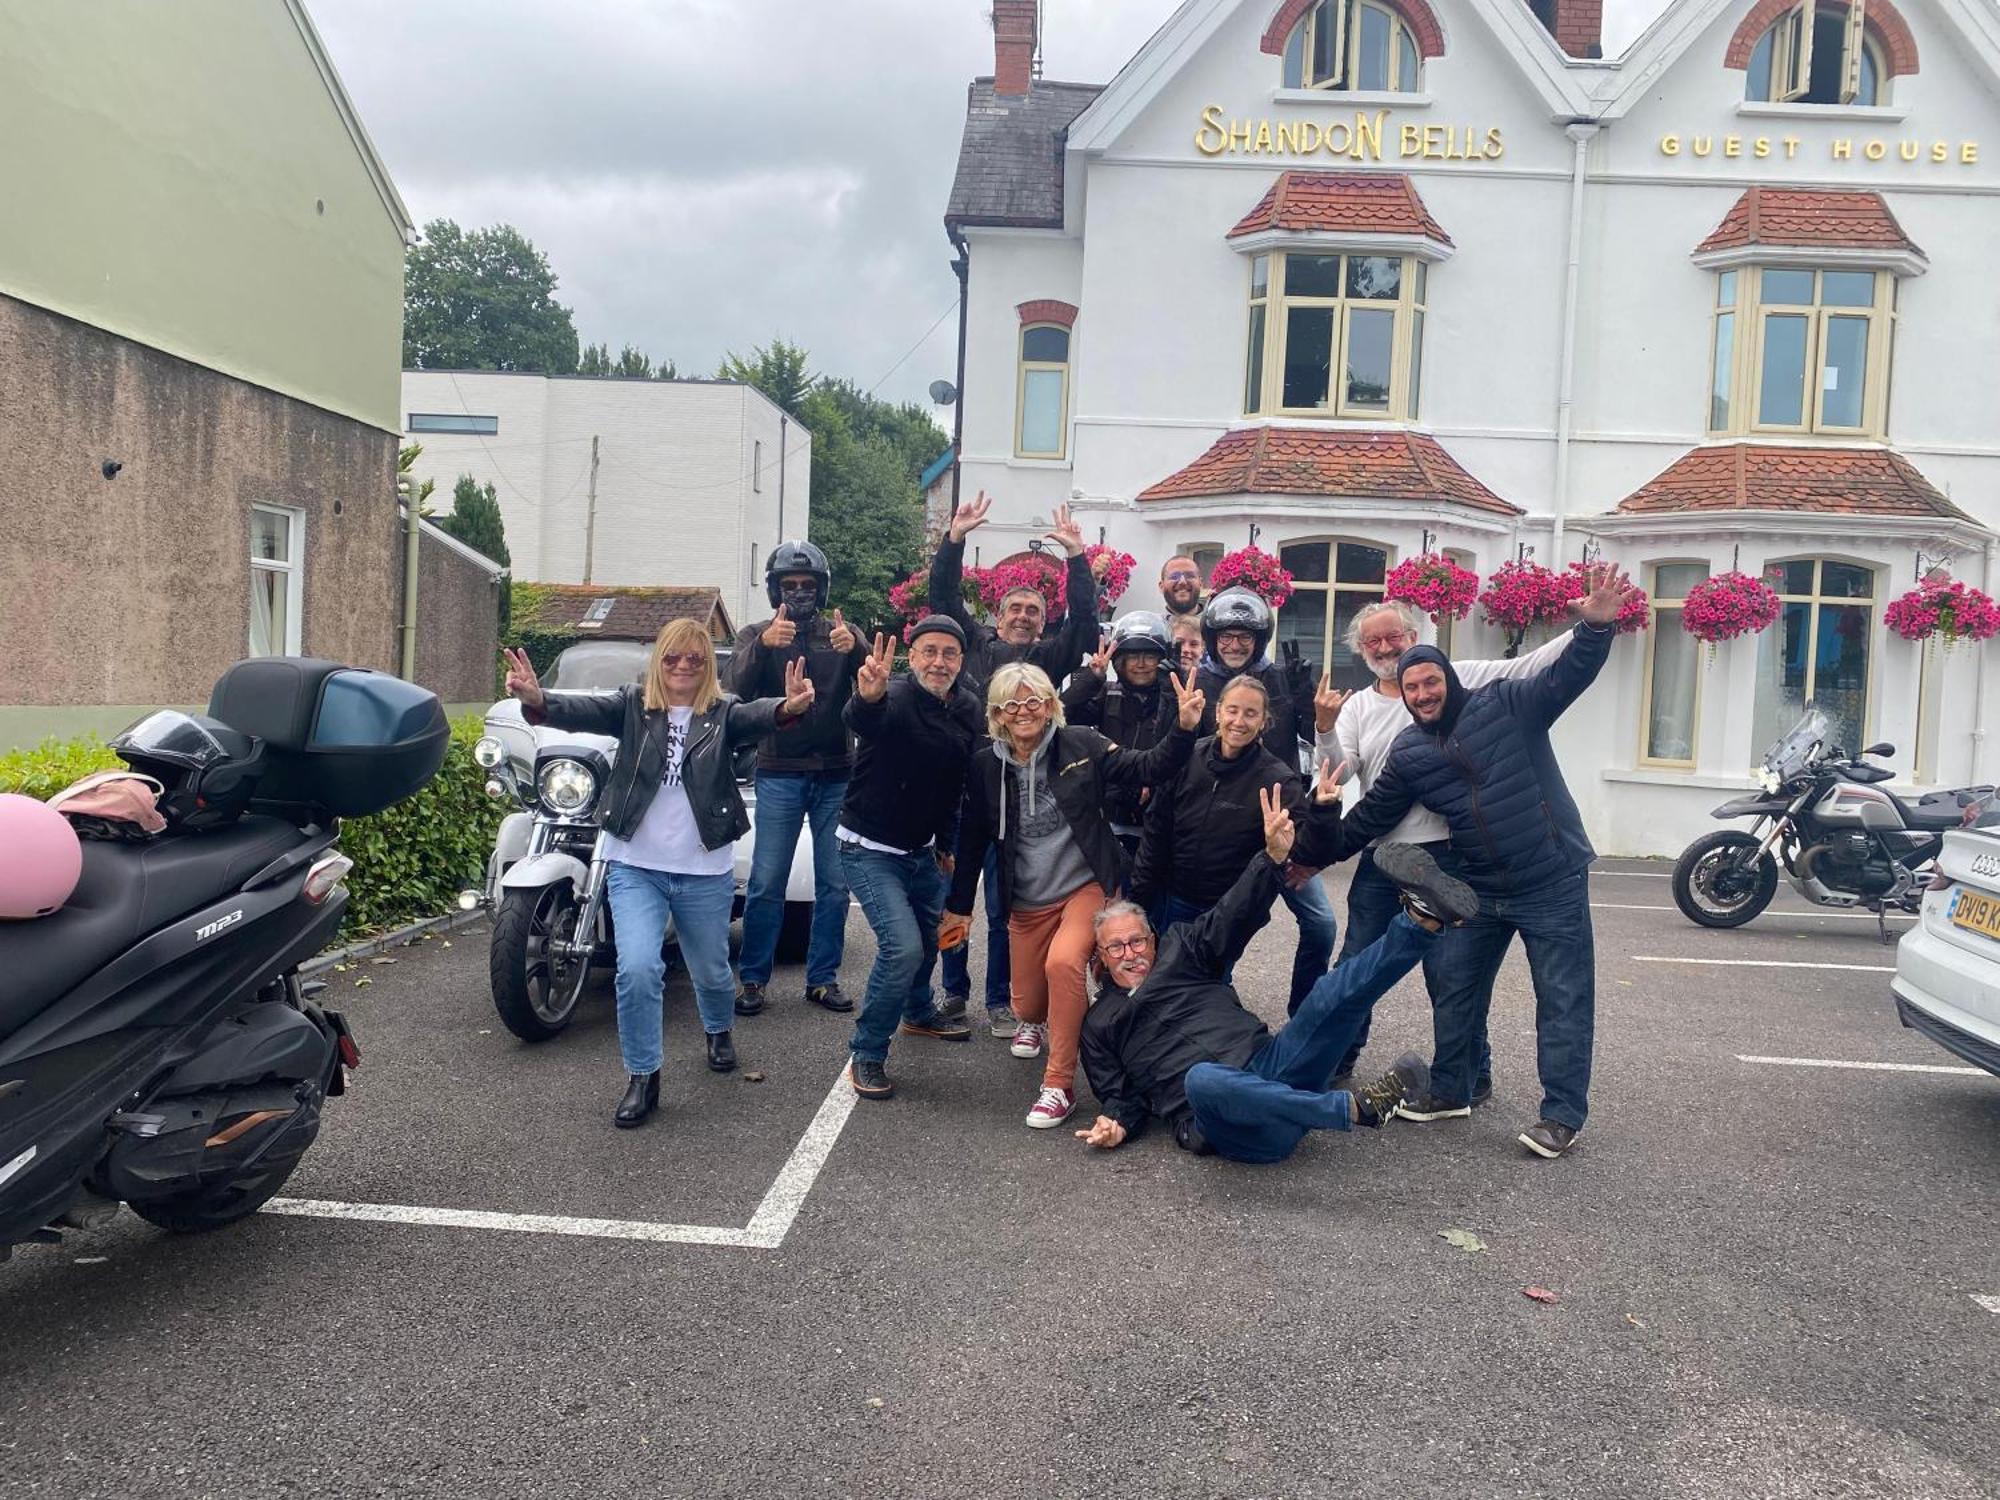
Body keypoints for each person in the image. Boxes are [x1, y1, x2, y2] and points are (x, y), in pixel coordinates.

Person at [1332, 564, 1641, 1159]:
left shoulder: (1508, 704)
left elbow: (1565, 677)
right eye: (1412, 687)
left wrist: (1596, 630)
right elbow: (1370, 819)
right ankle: (1451, 1089)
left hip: (1551, 877)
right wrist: (1300, 858)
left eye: (1430, 682)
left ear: (1448, 678)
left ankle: (1561, 1115)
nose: (1422, 694)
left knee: (1563, 997)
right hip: (1479, 886)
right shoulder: (1410, 753)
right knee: (1456, 987)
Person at [503, 625, 813, 1128]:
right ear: (659, 662)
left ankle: (718, 1029)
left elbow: (761, 717)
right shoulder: (631, 705)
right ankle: (643, 1076)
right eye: (673, 658)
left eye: (694, 659)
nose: (683, 666)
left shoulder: (723, 712)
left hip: (703, 869)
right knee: (638, 969)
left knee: (712, 972)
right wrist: (538, 698)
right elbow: (578, 712)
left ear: (706, 666)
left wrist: (789, 707)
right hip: (634, 865)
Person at [1076, 782, 1480, 1164]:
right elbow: (1119, 1095)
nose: (1130, 954)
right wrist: (1117, 1125)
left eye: (1137, 941)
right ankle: (1355, 1110)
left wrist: (1271, 858)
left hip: (1275, 1063)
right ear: (1102, 954)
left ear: (1152, 939)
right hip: (1230, 1121)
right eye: (1116, 946)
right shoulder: (1099, 1025)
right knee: (1202, 1080)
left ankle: (1421, 921)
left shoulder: (1183, 952)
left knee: (1328, 994)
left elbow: (1231, 914)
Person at [1314, 599, 1575, 1092]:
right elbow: (1338, 771)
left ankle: (1472, 1074)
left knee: (1454, 978)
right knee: (1356, 964)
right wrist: (1325, 728)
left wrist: (1589, 626)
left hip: (1449, 855)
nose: (1386, 647)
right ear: (1361, 649)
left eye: (1394, 636)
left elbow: (1528, 665)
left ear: (1414, 636)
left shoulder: (1455, 675)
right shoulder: (1358, 707)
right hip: (1383, 853)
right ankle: (1336, 1057)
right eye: (1374, 641)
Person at [939, 662, 1204, 1129]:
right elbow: (974, 837)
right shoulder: (985, 764)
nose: (1025, 712)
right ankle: (1034, 1020)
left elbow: (1149, 766)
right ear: (999, 714)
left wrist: (1183, 729)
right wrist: (959, 907)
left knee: (1064, 964)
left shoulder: (1081, 742)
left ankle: (1058, 1085)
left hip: (1086, 884)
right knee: (1027, 1003)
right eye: (1013, 704)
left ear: (1050, 705)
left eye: (1034, 701)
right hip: (1026, 901)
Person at [928, 493, 1099, 1038]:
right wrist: (953, 541)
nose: (1023, 617)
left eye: (1033, 611)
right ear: (996, 617)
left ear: (1041, 623)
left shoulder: (1049, 658)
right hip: (959, 796)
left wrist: (1076, 559)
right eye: (1014, 610)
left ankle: (1000, 1000)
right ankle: (953, 991)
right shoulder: (972, 644)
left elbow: (1085, 625)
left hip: (1016, 801)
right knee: (956, 899)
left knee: (1007, 906)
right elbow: (942, 597)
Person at [838, 619, 986, 1100]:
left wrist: (946, 843)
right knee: (902, 948)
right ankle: (867, 1052)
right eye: (928, 652)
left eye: (949, 653)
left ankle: (918, 1013)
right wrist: (868, 696)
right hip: (868, 847)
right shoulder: (894, 697)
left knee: (930, 936)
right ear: (912, 657)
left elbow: (955, 781)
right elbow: (864, 720)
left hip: (922, 849)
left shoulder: (967, 708)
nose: (939, 662)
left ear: (961, 661)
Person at [1133, 673, 1338, 1015]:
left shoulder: (1277, 778)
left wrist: (1324, 811)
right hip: (1176, 898)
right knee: (1163, 981)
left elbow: (1311, 851)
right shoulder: (1188, 758)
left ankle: (1213, 1052)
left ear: (1264, 722)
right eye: (1232, 710)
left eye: (1250, 714)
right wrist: (1139, 901)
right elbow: (1155, 833)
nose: (1238, 721)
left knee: (1208, 984)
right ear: (1217, 713)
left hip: (1230, 908)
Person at [726, 540, 869, 1017]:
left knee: (833, 883)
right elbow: (730, 692)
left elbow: (875, 684)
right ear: (775, 589)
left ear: (822, 589)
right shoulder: (755, 633)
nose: (800, 593)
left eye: (808, 585)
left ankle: (823, 979)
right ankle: (753, 979)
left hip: (835, 773)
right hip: (779, 771)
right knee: (767, 881)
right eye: (790, 585)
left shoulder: (841, 634)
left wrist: (860, 648)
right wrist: (763, 646)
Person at [1188, 589, 1337, 1014]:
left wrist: (1306, 700)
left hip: (1282, 824)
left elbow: (1316, 732)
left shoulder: (1281, 678)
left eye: (1245, 636)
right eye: (1227, 636)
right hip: (1223, 827)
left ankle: (1303, 1014)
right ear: (1212, 636)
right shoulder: (1199, 679)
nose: (1235, 644)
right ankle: (1214, 1006)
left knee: (1322, 924)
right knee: (1225, 924)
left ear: (1261, 638)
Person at [1059, 611, 1180, 858]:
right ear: (1119, 661)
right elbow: (1060, 716)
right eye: (1133, 656)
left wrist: (1171, 695)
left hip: (1158, 818)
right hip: (1109, 814)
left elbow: (1182, 747)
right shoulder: (1107, 694)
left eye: (1150, 656)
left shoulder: (1177, 699)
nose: (1141, 664)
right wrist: (1091, 679)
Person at [1169, 614, 1203, 678]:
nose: (1186, 649)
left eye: (1194, 644)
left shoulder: (1212, 684)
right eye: (1179, 642)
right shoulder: (1156, 678)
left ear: (1202, 651)